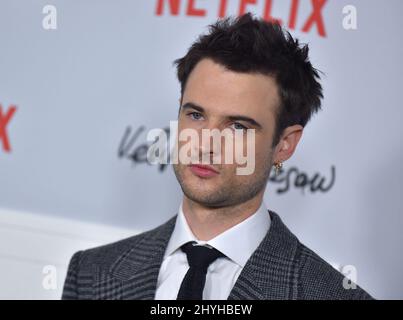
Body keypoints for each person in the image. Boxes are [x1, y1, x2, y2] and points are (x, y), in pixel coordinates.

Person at [62, 13, 373, 300]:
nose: (205, 144)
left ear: (285, 144)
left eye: (237, 126)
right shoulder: (90, 275)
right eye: (196, 115)